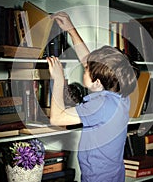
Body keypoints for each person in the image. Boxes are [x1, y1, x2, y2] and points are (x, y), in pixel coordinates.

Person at [47, 12, 138, 182]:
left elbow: (56, 118)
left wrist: (58, 80)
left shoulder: (99, 106)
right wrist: (71, 30)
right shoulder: (119, 95)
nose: (84, 66)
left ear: (97, 82)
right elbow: (88, 60)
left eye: (87, 68)